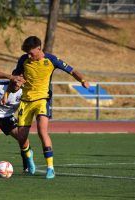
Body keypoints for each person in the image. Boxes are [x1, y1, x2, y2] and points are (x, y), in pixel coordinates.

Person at [12, 36, 90, 179]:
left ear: (39, 48)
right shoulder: (23, 59)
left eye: (31, 53)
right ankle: (29, 159)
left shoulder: (51, 60)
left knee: (42, 131)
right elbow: (15, 76)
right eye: (27, 53)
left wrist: (83, 80)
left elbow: (72, 71)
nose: (29, 56)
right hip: (26, 101)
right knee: (21, 138)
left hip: (43, 99)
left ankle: (50, 168)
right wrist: (16, 82)